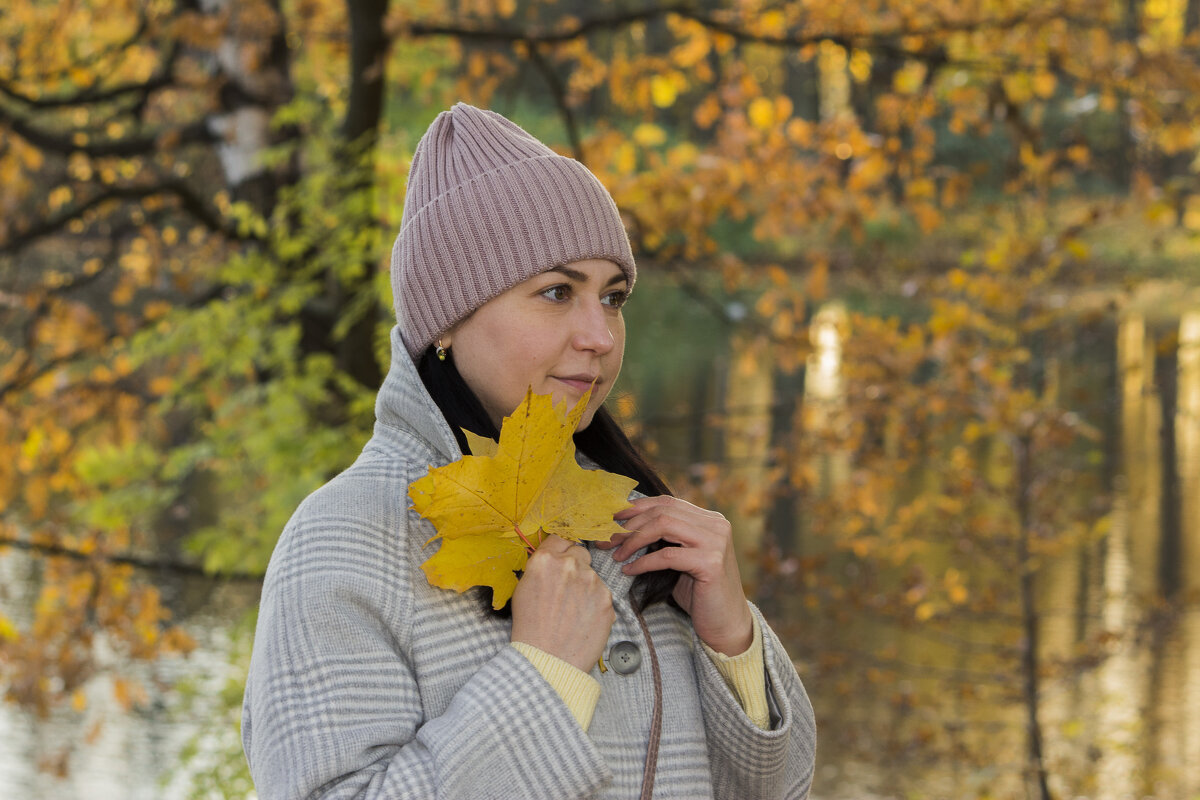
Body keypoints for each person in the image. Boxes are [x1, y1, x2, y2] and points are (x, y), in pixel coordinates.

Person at [242, 102, 816, 800]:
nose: (600, 336)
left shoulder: (638, 531)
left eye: (613, 297)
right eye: (556, 292)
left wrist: (733, 647)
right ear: (447, 320)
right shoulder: (347, 540)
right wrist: (543, 678)